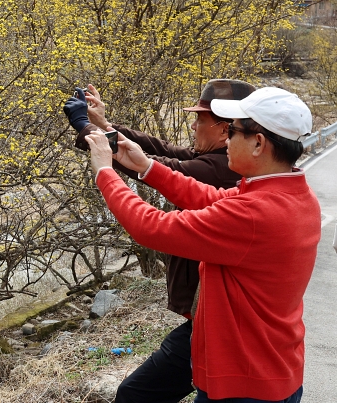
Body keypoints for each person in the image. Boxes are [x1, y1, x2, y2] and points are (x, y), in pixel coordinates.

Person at [83, 87, 320, 402]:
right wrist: (146, 167)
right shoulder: (292, 194)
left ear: (259, 143)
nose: (226, 140)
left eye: (232, 131)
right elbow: (211, 197)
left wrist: (105, 173)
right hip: (271, 366)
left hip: (243, 383)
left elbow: (150, 227)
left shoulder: (253, 214)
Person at [64, 79, 256, 403]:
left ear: (227, 131)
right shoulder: (245, 176)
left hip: (225, 332)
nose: (193, 125)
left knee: (136, 395)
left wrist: (95, 147)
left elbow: (156, 207)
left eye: (201, 119)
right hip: (216, 324)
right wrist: (103, 126)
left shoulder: (224, 170)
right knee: (137, 394)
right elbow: (158, 153)